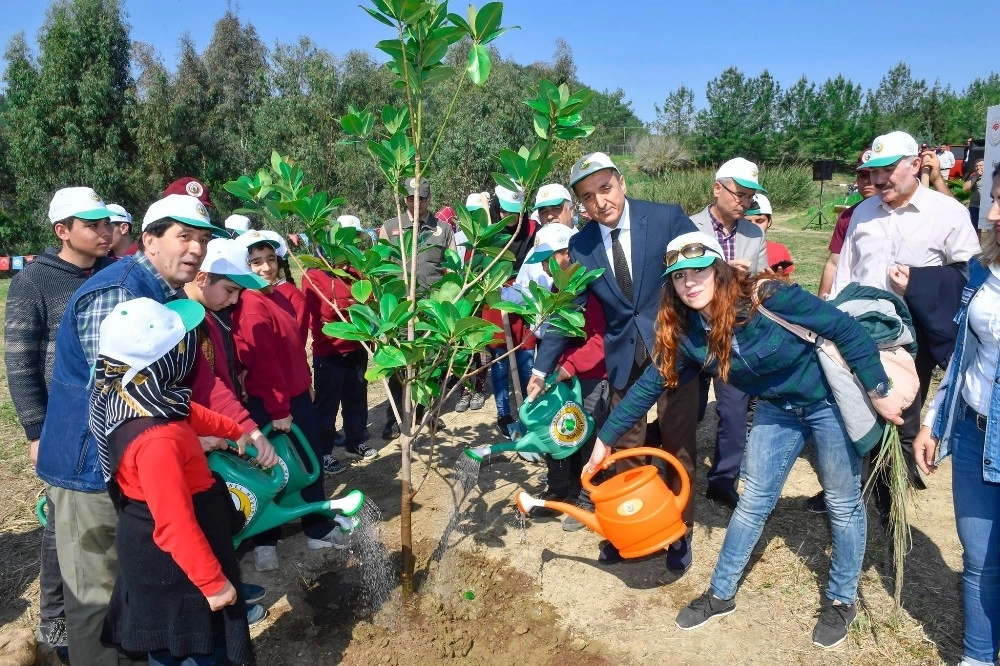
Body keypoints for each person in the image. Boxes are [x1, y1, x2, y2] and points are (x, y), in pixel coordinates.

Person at [585, 231, 903, 649]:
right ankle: (721, 593)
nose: (690, 283)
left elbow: (843, 329)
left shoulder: (765, 298)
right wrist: (605, 439)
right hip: (774, 408)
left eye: (699, 271)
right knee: (753, 500)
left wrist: (879, 391)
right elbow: (649, 386)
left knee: (843, 504)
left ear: (718, 270)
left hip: (824, 401)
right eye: (679, 277)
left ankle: (841, 600)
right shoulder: (688, 334)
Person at [35, 193, 278, 666]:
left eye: (203, 240)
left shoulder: (168, 295)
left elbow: (189, 384)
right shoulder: (120, 294)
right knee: (100, 601)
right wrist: (183, 438)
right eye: (183, 236)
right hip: (95, 470)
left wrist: (241, 428)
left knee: (139, 601)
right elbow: (110, 393)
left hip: (138, 470)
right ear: (148, 239)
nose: (195, 249)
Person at [528, 151, 698, 571]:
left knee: (678, 442)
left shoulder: (665, 219)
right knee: (624, 445)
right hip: (624, 357)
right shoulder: (581, 246)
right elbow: (565, 309)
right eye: (587, 197)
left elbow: (703, 267)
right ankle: (629, 525)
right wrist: (539, 369)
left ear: (621, 182)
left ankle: (679, 532)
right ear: (579, 204)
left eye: (605, 188)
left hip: (676, 349)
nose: (600, 202)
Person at [89, 298, 256, 666]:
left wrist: (235, 430)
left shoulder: (136, 393)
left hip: (176, 554)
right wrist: (213, 584)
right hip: (175, 569)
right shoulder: (157, 443)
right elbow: (175, 524)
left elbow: (190, 411)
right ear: (170, 360)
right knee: (190, 648)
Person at [832, 130, 981, 519]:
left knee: (901, 414)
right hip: (862, 331)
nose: (878, 180)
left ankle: (890, 496)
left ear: (916, 165)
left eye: (887, 170)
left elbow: (970, 276)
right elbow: (847, 274)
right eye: (873, 171)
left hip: (913, 337)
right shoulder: (862, 212)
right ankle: (848, 490)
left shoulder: (948, 212)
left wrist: (919, 282)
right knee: (853, 408)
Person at [4, 186, 115, 660]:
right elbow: (21, 360)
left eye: (107, 223)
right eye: (92, 225)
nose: (105, 232)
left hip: (114, 420)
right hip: (65, 427)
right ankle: (55, 621)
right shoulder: (34, 283)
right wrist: (36, 430)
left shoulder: (114, 273)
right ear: (62, 231)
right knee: (59, 526)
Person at [913, 165, 1000, 666]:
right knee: (980, 562)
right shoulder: (985, 270)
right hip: (972, 432)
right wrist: (933, 420)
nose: (989, 213)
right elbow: (966, 354)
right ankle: (977, 657)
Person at [234, 231, 348, 572]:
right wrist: (280, 409)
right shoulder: (251, 303)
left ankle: (314, 529)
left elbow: (294, 351)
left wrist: (304, 385)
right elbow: (262, 362)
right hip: (271, 402)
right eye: (256, 262)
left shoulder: (275, 296)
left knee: (303, 463)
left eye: (270, 260)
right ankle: (266, 543)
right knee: (271, 469)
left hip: (293, 396)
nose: (266, 268)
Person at [517, 223, 610, 531]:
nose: (544, 266)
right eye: (542, 261)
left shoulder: (591, 287)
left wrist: (569, 366)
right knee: (556, 431)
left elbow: (602, 339)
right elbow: (554, 332)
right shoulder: (561, 286)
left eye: (549, 259)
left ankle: (587, 497)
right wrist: (541, 370)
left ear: (567, 254)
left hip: (592, 375)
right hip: (562, 373)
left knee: (587, 435)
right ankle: (561, 491)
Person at [689, 157, 769, 510]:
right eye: (740, 194)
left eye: (751, 197)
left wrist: (755, 280)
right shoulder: (688, 228)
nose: (745, 202)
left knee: (735, 413)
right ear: (717, 188)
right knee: (686, 411)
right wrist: (722, 273)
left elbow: (760, 284)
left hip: (733, 335)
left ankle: (723, 481)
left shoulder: (755, 233)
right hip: (693, 336)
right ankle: (673, 468)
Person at [379, 177, 457, 439]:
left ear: (429, 198)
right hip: (400, 310)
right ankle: (396, 419)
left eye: (421, 198)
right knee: (398, 364)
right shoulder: (390, 228)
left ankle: (429, 414)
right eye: (411, 198)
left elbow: (453, 270)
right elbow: (380, 269)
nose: (416, 202)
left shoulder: (443, 230)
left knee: (432, 363)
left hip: (432, 308)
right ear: (404, 199)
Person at [302, 222, 378, 465]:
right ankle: (324, 453)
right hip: (330, 351)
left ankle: (355, 442)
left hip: (356, 347)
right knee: (327, 405)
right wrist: (351, 304)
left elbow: (370, 302)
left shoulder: (357, 273)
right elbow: (326, 309)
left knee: (356, 399)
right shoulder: (312, 276)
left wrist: (349, 306)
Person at [817, 151, 875, 300]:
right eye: (862, 175)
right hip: (855, 299)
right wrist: (821, 303)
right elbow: (833, 262)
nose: (867, 181)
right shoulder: (848, 216)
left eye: (872, 174)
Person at [745, 194, 794, 276]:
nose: (754, 227)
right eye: (747, 222)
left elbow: (786, 282)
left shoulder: (779, 251)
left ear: (769, 221)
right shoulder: (730, 250)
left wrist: (778, 281)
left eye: (760, 221)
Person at [964, 158, 985, 232]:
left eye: (981, 165)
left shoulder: (991, 176)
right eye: (976, 166)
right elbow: (965, 188)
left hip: (987, 208)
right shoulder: (973, 177)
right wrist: (976, 176)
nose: (979, 167)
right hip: (975, 207)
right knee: (974, 229)